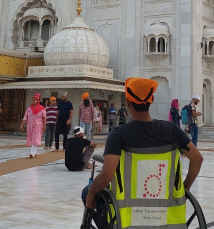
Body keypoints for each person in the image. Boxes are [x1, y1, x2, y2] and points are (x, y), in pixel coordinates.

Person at [82, 77, 204, 228]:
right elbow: (197, 159)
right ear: (151, 99)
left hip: (129, 218)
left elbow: (106, 176)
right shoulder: (172, 130)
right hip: (167, 213)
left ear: (127, 102)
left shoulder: (118, 134)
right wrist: (185, 188)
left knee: (87, 191)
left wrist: (90, 194)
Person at [20, 93, 46, 158]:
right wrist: (22, 124)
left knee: (35, 138)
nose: (33, 101)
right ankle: (35, 152)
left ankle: (32, 153)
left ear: (38, 101)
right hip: (30, 126)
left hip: (38, 126)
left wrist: (44, 125)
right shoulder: (29, 109)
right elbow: (25, 117)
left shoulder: (42, 108)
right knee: (33, 139)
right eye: (32, 100)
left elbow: (44, 117)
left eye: (35, 100)